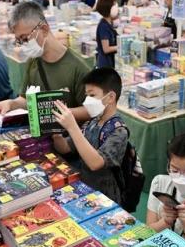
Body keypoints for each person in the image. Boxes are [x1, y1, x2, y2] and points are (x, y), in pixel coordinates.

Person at [0, 2, 91, 121]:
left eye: (25, 38)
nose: (23, 45)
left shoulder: (79, 68)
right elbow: (26, 100)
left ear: (44, 29)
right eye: (19, 41)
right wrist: (11, 104)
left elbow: (89, 111)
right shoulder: (33, 61)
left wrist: (53, 112)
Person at [51, 68, 128, 204]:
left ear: (110, 97)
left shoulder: (119, 131)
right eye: (86, 95)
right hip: (84, 187)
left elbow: (95, 163)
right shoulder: (92, 122)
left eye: (92, 95)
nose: (87, 101)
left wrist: (72, 127)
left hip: (105, 197)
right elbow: (65, 148)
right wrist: (56, 132)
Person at [95, 0, 119, 68]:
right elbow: (106, 49)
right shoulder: (104, 26)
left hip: (111, 61)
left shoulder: (109, 23)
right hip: (106, 64)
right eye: (114, 6)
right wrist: (121, 47)